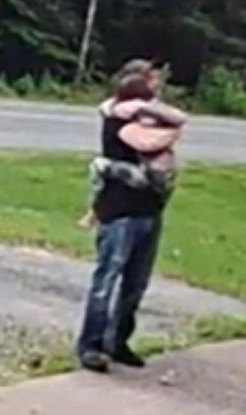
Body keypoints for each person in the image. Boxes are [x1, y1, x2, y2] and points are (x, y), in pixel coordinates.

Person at [76, 60, 184, 373]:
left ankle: (118, 341)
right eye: (151, 81)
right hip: (120, 212)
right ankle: (91, 346)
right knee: (106, 280)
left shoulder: (148, 116)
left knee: (135, 284)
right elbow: (155, 138)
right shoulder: (119, 119)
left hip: (150, 211)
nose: (156, 88)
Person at [77, 71, 187, 229]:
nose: (157, 84)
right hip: (152, 179)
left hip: (144, 176)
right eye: (153, 80)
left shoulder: (123, 109)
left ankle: (93, 214)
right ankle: (94, 213)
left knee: (100, 168)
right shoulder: (143, 109)